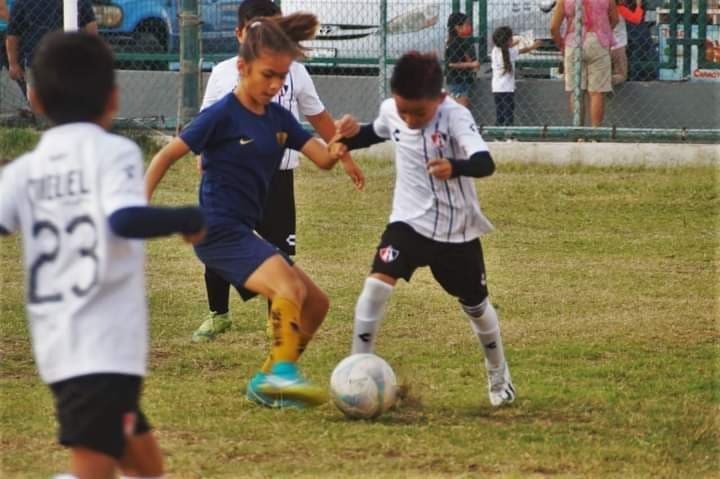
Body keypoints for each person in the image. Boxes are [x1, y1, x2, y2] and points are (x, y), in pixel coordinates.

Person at [0, 31, 206, 479]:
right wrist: (188, 216)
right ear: (113, 98)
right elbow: (122, 220)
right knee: (93, 470)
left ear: (34, 98)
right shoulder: (114, 153)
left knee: (146, 466)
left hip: (60, 342)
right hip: (103, 344)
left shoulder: (26, 170)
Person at [145, 14, 356, 408]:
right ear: (242, 68)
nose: (275, 86)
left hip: (243, 231)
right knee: (288, 289)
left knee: (316, 304)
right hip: (217, 230)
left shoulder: (279, 117)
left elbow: (323, 160)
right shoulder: (221, 114)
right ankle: (280, 376)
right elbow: (166, 156)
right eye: (267, 75)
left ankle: (268, 379)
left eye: (282, 77)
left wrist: (340, 142)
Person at [336, 51, 516, 407]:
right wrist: (350, 137)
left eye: (418, 113)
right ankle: (356, 375)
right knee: (375, 286)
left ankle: (499, 378)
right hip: (408, 224)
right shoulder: (393, 111)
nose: (409, 119)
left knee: (477, 307)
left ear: (441, 98)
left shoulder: (456, 117)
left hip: (457, 232)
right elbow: (375, 132)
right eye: (403, 111)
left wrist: (455, 166)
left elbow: (485, 163)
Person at [194, 0, 365, 343]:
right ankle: (218, 313)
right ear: (239, 34)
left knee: (279, 252)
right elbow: (203, 123)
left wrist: (342, 153)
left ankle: (277, 320)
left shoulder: (295, 72)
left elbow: (317, 117)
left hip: (278, 177)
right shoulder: (225, 73)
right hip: (233, 181)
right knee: (225, 245)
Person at [5, 0, 97, 97]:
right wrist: (13, 64)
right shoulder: (23, 2)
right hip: (37, 61)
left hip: (71, 59)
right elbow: (13, 34)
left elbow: (90, 25)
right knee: (39, 98)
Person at [550, 0, 618, 126]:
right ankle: (595, 134)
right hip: (598, 41)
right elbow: (615, 19)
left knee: (576, 91)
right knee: (597, 92)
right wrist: (603, 30)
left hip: (573, 41)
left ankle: (579, 133)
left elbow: (554, 27)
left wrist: (562, 45)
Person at [491, 26, 541, 126]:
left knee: (500, 112)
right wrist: (533, 46)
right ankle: (509, 135)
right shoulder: (509, 52)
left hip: (496, 88)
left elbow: (508, 48)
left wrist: (514, 43)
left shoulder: (495, 51)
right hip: (508, 89)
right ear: (507, 41)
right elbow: (522, 50)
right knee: (509, 112)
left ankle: (498, 135)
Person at [445, 12, 479, 108]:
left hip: (463, 79)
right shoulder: (454, 43)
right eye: (467, 24)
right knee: (461, 107)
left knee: (464, 106)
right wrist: (471, 65)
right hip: (456, 81)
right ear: (457, 27)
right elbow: (452, 64)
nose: (469, 27)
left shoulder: (460, 41)